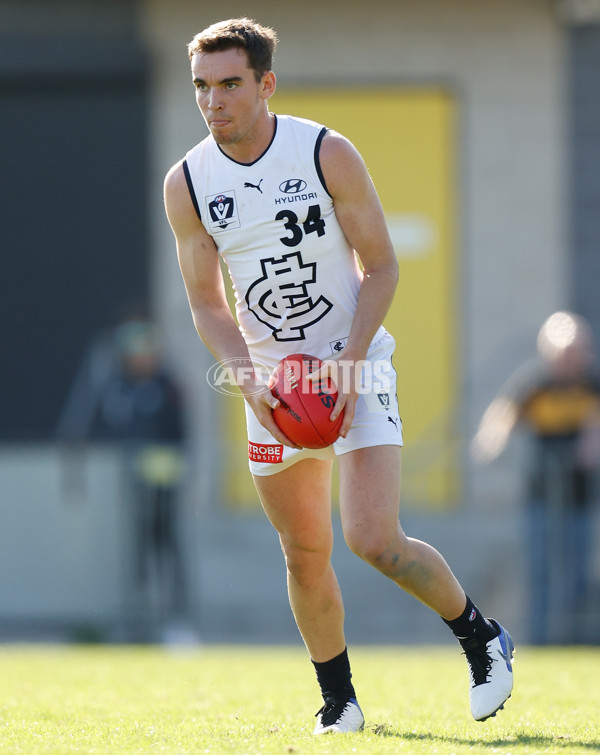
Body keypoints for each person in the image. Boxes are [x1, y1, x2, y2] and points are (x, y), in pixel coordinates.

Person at [164, 17, 514, 733]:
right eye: (202, 86)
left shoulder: (326, 152)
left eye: (230, 84)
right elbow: (206, 302)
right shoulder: (188, 182)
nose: (214, 101)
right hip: (271, 386)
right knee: (302, 550)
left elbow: (382, 265)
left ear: (265, 83)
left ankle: (482, 637)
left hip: (355, 363)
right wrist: (246, 377)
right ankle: (340, 700)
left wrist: (350, 365)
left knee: (373, 538)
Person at [56, 309, 189, 639]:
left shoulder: (168, 385)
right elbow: (100, 429)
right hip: (123, 489)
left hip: (161, 491)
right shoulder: (114, 385)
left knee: (167, 549)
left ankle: (176, 622)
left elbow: (180, 437)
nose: (139, 354)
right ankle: (133, 622)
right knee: (131, 553)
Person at [472, 311, 600, 644]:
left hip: (580, 496)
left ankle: (571, 637)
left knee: (575, 572)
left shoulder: (592, 385)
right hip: (542, 494)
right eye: (564, 356)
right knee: (540, 569)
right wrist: (492, 444)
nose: (571, 363)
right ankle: (542, 638)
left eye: (577, 354)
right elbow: (503, 414)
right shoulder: (536, 383)